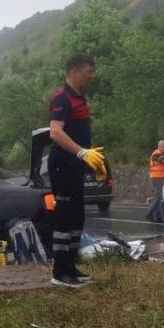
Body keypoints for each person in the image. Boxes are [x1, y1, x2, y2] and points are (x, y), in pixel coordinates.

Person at [46, 54, 106, 287]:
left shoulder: (80, 98)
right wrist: (81, 152)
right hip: (62, 164)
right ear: (74, 72)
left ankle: (71, 265)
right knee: (64, 217)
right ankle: (59, 272)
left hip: (76, 166)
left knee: (77, 217)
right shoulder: (61, 98)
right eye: (88, 71)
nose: (92, 76)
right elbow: (55, 132)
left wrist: (94, 162)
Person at [146, 140, 164, 222]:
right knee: (159, 196)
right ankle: (150, 213)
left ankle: (157, 216)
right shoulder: (156, 153)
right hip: (157, 178)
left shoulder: (162, 154)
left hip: (161, 177)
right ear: (159, 146)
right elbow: (163, 161)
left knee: (161, 197)